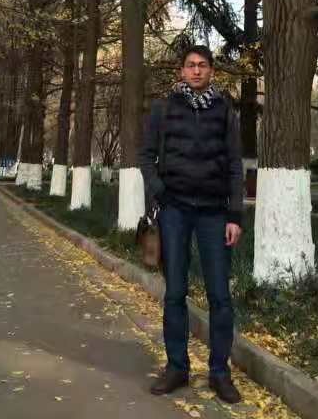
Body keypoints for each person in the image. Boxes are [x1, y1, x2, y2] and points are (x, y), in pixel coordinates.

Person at [138, 45, 244, 405]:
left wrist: (235, 216)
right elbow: (146, 156)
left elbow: (234, 165)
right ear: (181, 71)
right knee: (174, 293)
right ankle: (177, 368)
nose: (196, 70)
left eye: (202, 65)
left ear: (211, 71)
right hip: (175, 212)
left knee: (220, 296)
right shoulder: (164, 108)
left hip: (214, 213)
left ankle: (219, 373)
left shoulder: (224, 110)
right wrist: (160, 193)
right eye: (190, 65)